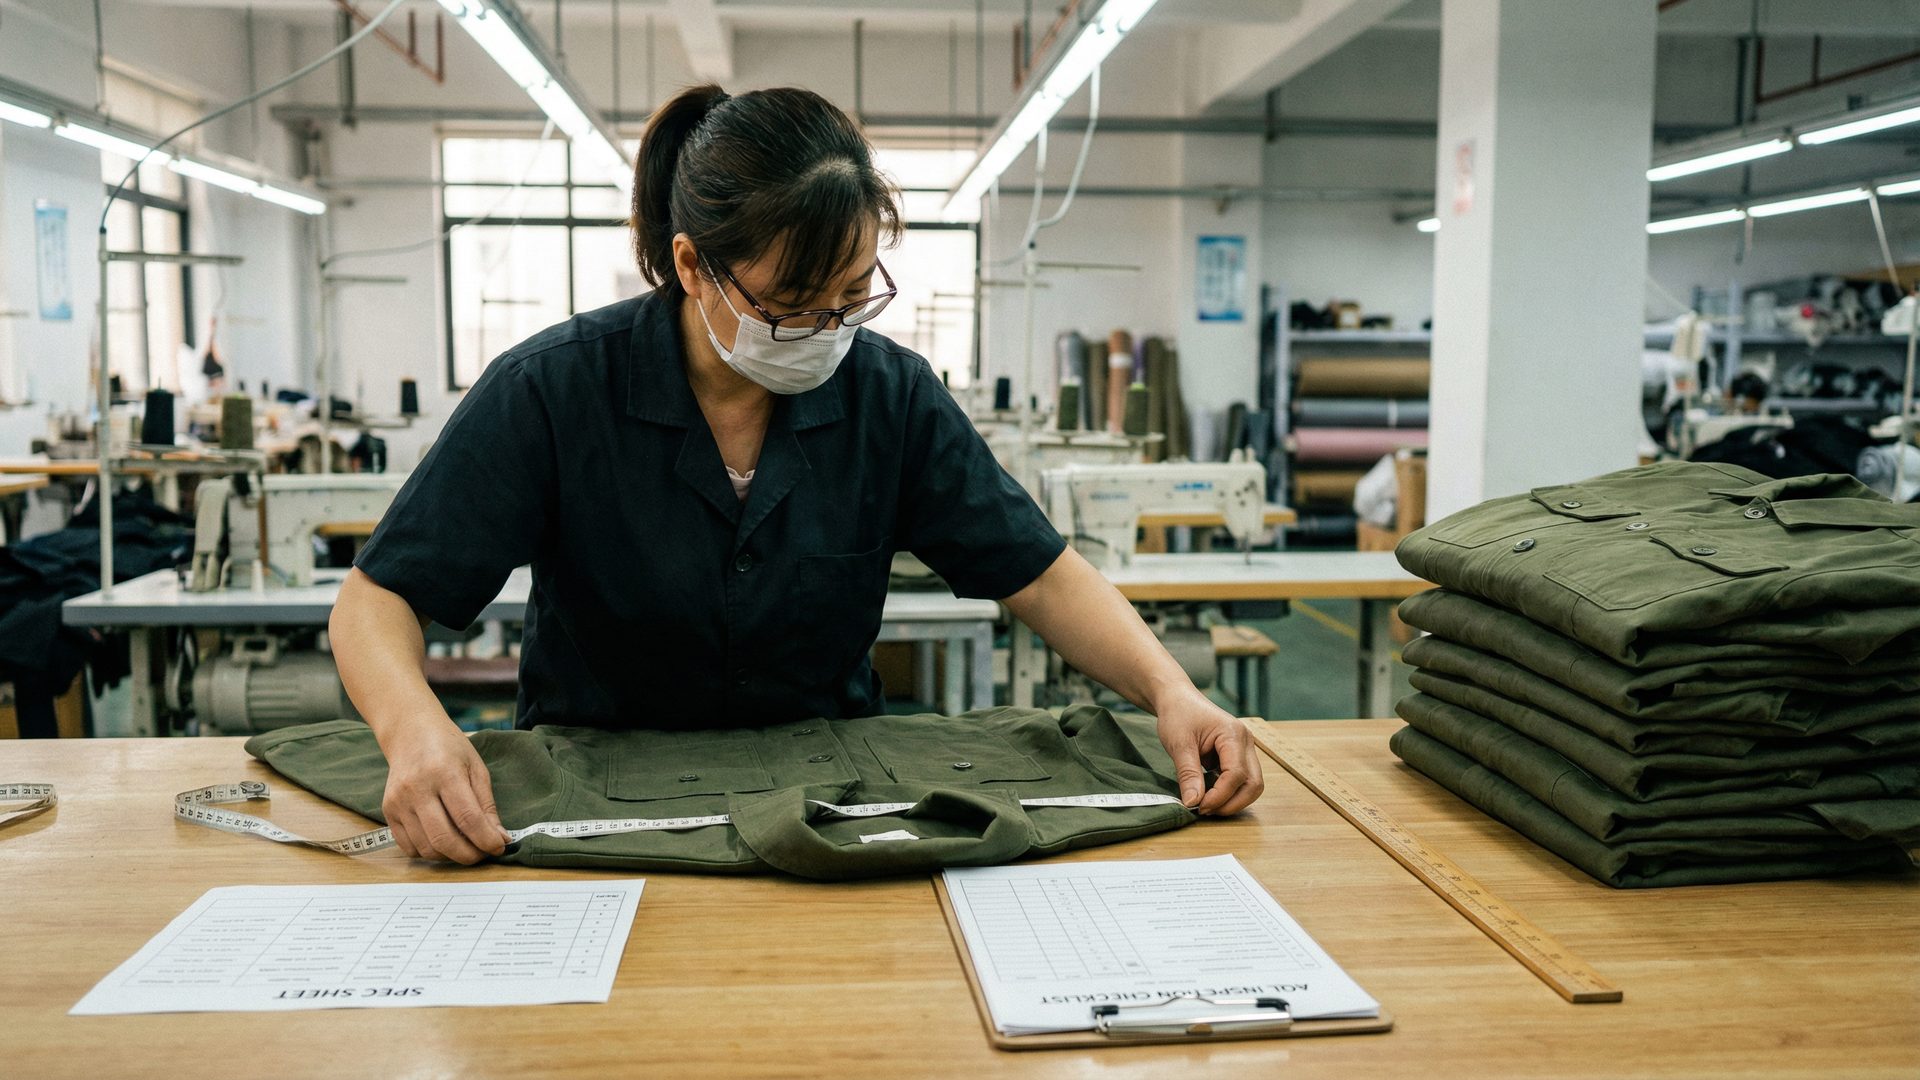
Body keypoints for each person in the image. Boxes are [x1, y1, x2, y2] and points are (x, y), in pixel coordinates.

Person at [330, 84, 1264, 865]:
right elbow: (376, 599)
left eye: (852, 297)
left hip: (832, 808)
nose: (827, 330)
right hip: (595, 807)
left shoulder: (890, 397)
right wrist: (415, 728)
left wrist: (1170, 690)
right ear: (694, 267)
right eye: (790, 305)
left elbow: (1040, 573)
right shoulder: (553, 392)